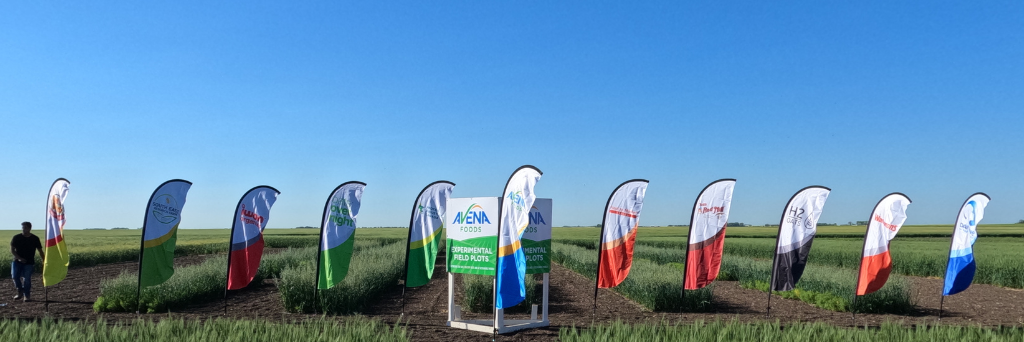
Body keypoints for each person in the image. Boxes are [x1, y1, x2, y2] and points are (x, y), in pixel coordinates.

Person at [11, 222, 43, 301]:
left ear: (29, 228)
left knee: (27, 279)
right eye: (22, 227)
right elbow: (12, 250)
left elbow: (40, 251)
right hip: (17, 261)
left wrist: (44, 260)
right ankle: (20, 291)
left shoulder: (35, 238)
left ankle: (27, 295)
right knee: (14, 277)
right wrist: (19, 258)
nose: (23, 229)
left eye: (25, 228)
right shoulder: (16, 237)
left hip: (29, 262)